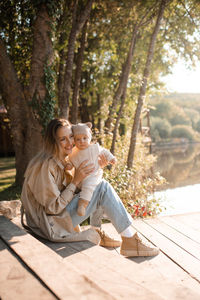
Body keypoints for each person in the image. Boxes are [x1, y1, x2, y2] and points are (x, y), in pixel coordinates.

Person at [21, 118, 159, 257]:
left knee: (96, 185)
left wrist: (97, 168)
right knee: (102, 187)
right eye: (63, 139)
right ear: (53, 141)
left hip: (55, 219)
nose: (70, 143)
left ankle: (96, 230)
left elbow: (78, 189)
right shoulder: (45, 166)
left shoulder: (64, 160)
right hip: (50, 225)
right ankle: (130, 240)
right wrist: (76, 181)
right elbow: (53, 208)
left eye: (71, 136)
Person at [65, 122, 116, 217]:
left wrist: (111, 158)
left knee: (89, 187)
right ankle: (83, 205)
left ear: (90, 137)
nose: (82, 141)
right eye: (78, 139)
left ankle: (82, 205)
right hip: (80, 180)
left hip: (93, 176)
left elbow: (105, 152)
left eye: (85, 138)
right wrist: (69, 166)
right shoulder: (74, 153)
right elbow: (71, 163)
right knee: (87, 187)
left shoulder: (94, 148)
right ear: (74, 140)